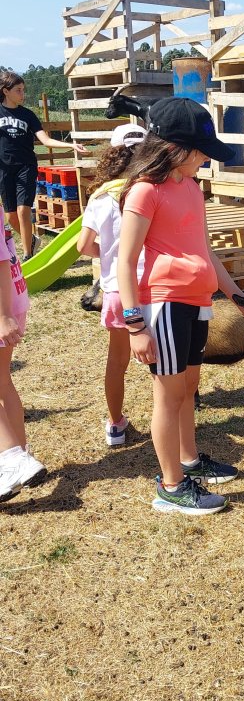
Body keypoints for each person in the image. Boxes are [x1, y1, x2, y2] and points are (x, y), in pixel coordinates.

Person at [117, 98, 244, 517]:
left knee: (188, 388)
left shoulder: (191, 187)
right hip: (165, 305)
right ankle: (171, 486)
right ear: (175, 149)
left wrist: (237, 297)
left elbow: (205, 252)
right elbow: (125, 261)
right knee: (169, 395)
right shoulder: (145, 191)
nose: (206, 160)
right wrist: (135, 324)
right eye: (201, 152)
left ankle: (189, 460)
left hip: (197, 303)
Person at [77, 123, 148, 447]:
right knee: (163, 362)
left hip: (118, 289)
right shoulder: (151, 190)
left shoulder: (101, 197)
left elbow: (83, 246)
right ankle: (172, 422)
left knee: (117, 363)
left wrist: (107, 254)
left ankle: (116, 425)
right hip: (153, 286)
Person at [0, 71, 88, 260]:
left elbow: (46, 140)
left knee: (23, 209)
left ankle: (28, 255)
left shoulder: (28, 115)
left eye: (23, 90)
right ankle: (32, 240)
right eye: (18, 90)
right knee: (11, 216)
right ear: (5, 91)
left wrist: (71, 145)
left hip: (25, 167)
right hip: (4, 169)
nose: (23, 94)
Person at [0, 203, 46, 500]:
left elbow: (1, 261)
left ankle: (12, 459)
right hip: (11, 300)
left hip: (3, 306)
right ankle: (20, 456)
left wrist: (3, 315)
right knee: (3, 382)